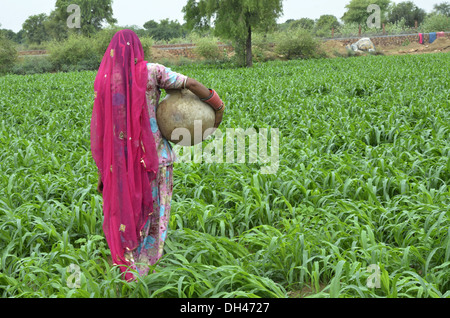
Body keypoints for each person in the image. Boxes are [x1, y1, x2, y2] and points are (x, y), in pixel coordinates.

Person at [90, 29, 225, 281]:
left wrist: (102, 172)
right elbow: (192, 84)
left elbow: (103, 129)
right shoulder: (153, 71)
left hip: (120, 165)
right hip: (155, 158)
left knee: (128, 213)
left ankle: (127, 265)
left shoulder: (106, 81)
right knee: (155, 212)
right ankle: (145, 271)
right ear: (138, 48)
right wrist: (218, 106)